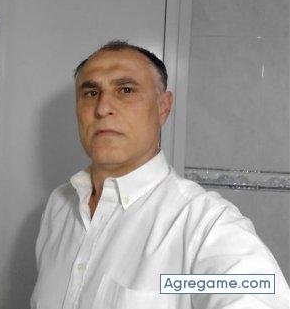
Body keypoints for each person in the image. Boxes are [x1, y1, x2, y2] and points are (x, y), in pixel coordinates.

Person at [30, 39, 290, 309]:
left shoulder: (205, 225)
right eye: (91, 93)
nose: (102, 108)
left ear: (163, 107)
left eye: (126, 90)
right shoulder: (59, 206)